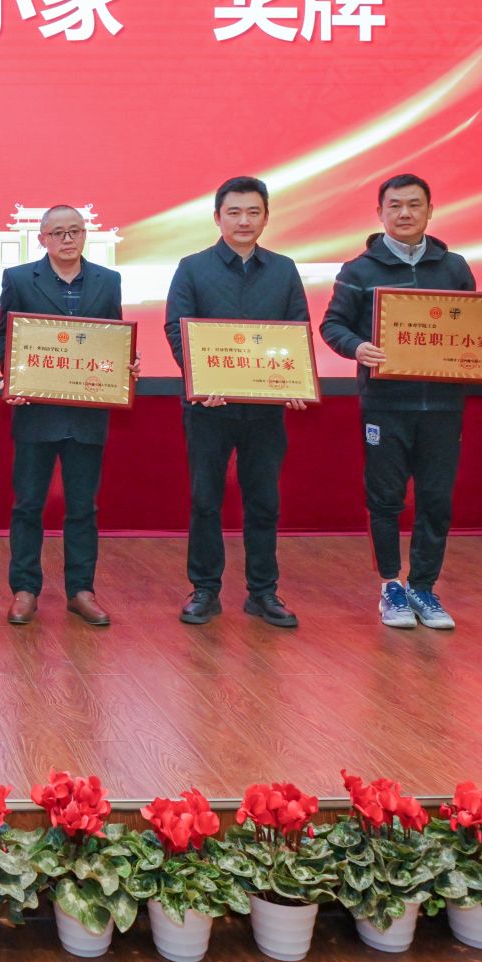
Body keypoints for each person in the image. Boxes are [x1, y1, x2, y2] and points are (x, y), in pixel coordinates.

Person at [320, 173, 482, 630]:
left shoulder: (454, 267)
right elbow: (332, 325)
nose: (405, 213)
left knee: (435, 499)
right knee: (385, 500)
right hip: (385, 405)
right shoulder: (358, 271)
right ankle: (391, 585)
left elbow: (475, 328)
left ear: (431, 211)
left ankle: (424, 587)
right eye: (395, 205)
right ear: (380, 213)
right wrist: (357, 347)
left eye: (414, 205)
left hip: (443, 407)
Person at [164, 176, 310, 629]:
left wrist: (295, 380)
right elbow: (176, 328)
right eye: (234, 212)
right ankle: (205, 589)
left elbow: (298, 329)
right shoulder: (192, 268)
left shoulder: (284, 269)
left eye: (252, 212)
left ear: (265, 218)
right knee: (205, 500)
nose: (243, 221)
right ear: (217, 218)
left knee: (263, 501)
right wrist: (199, 378)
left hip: (265, 410)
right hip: (209, 408)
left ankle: (263, 592)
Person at [0, 205, 131, 627]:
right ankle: (24, 590)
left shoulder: (108, 281)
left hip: (87, 413)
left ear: (85, 234)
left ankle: (81, 591)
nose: (67, 239)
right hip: (36, 412)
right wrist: (15, 375)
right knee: (28, 505)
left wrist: (125, 364)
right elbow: (4, 339)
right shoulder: (19, 279)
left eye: (75, 231)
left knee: (82, 508)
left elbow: (113, 337)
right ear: (43, 239)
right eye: (58, 233)